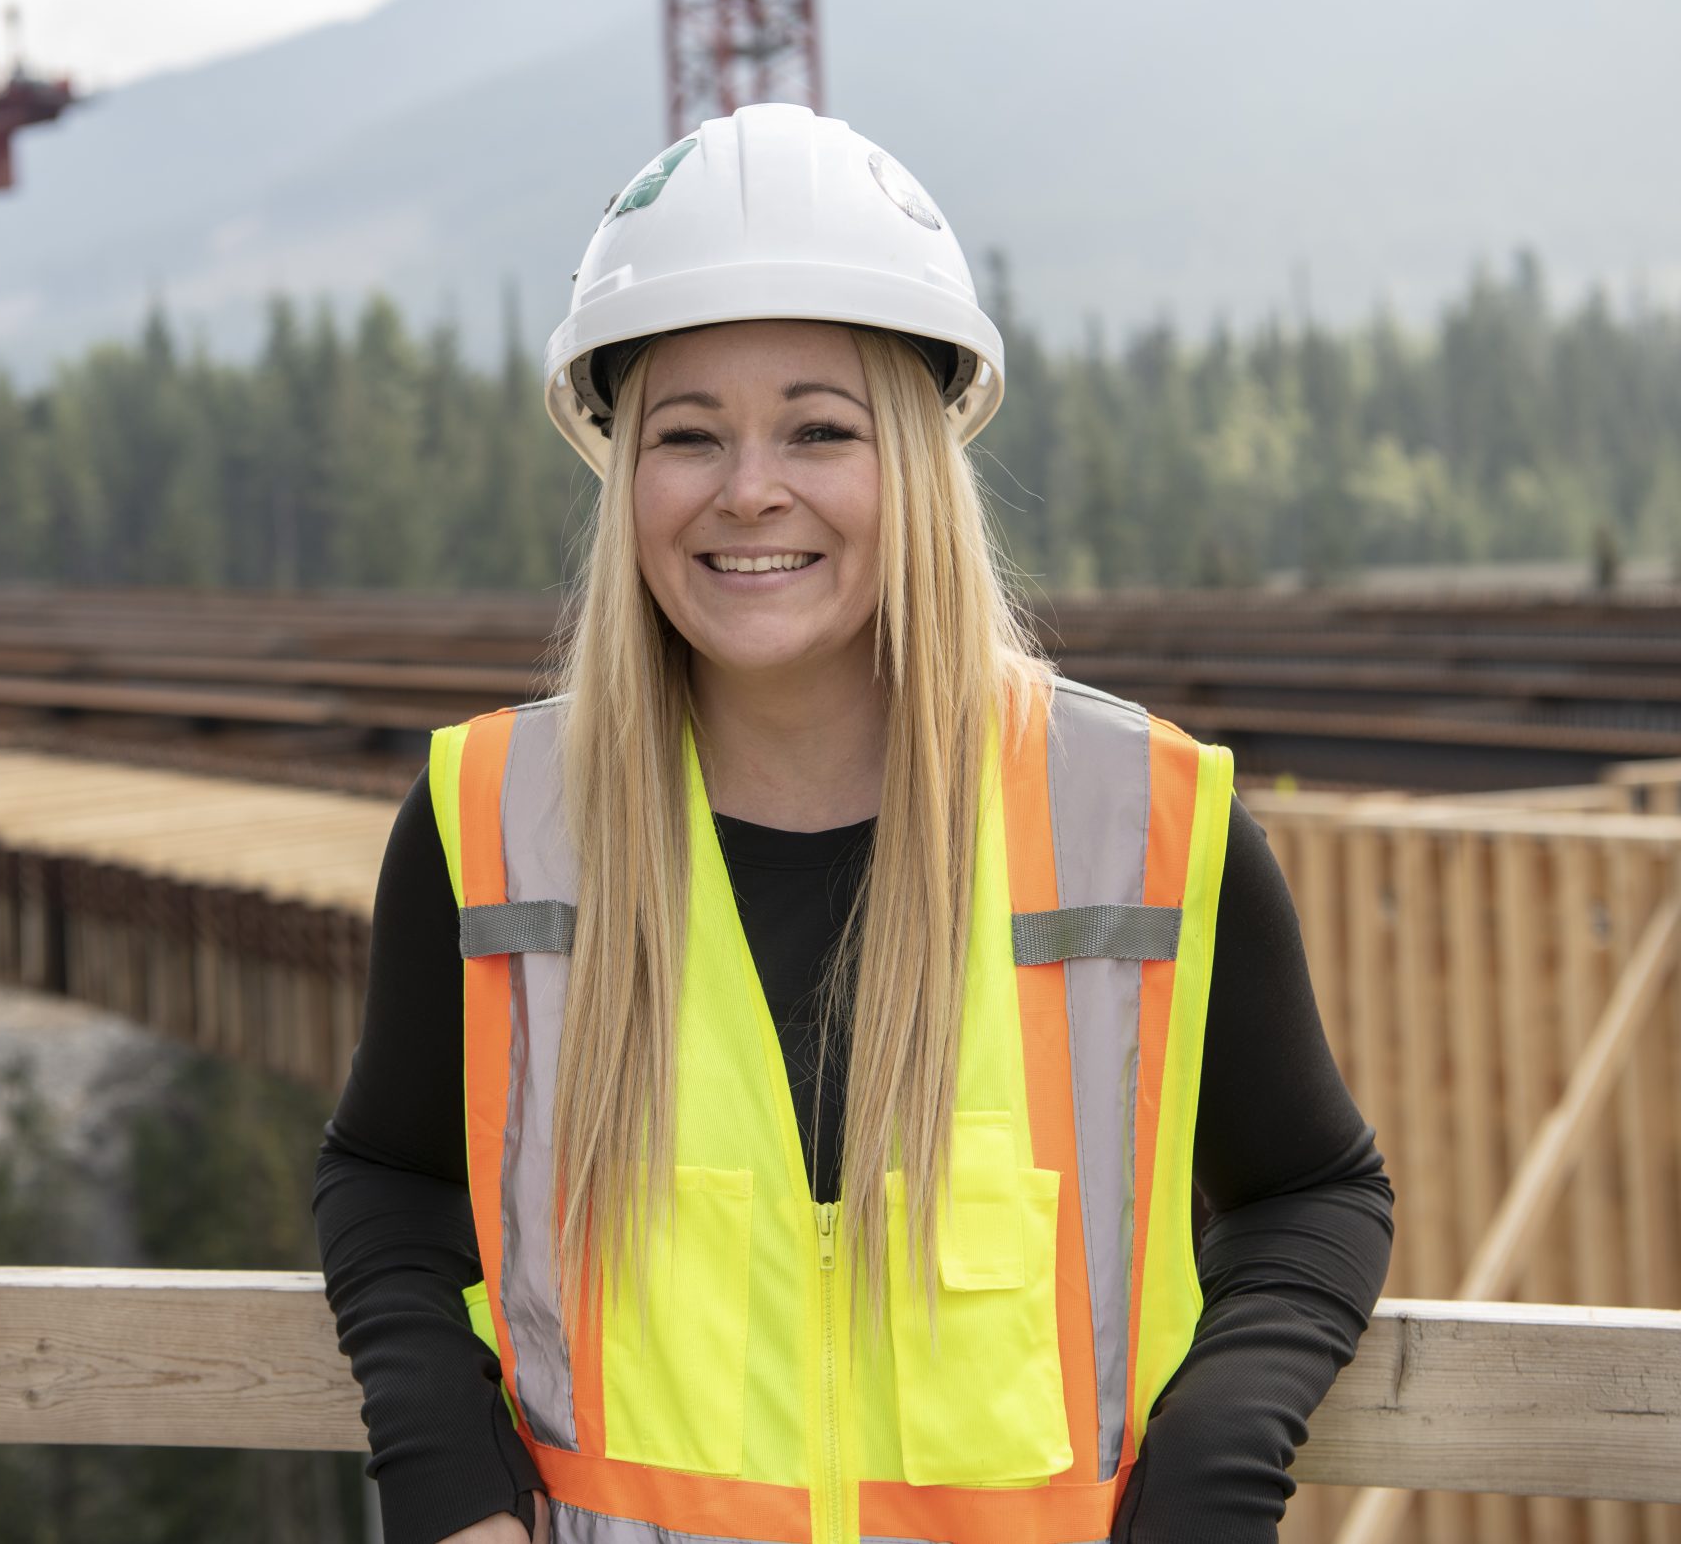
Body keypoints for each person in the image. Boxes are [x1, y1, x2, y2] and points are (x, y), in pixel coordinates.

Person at [314, 103, 1392, 1544]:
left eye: (819, 431)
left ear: (918, 464)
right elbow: (387, 1178)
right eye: (686, 436)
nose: (748, 490)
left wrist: (1218, 1454)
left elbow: (1315, 1192)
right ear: (623, 472)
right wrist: (445, 1486)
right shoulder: (496, 827)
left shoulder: (1138, 823)